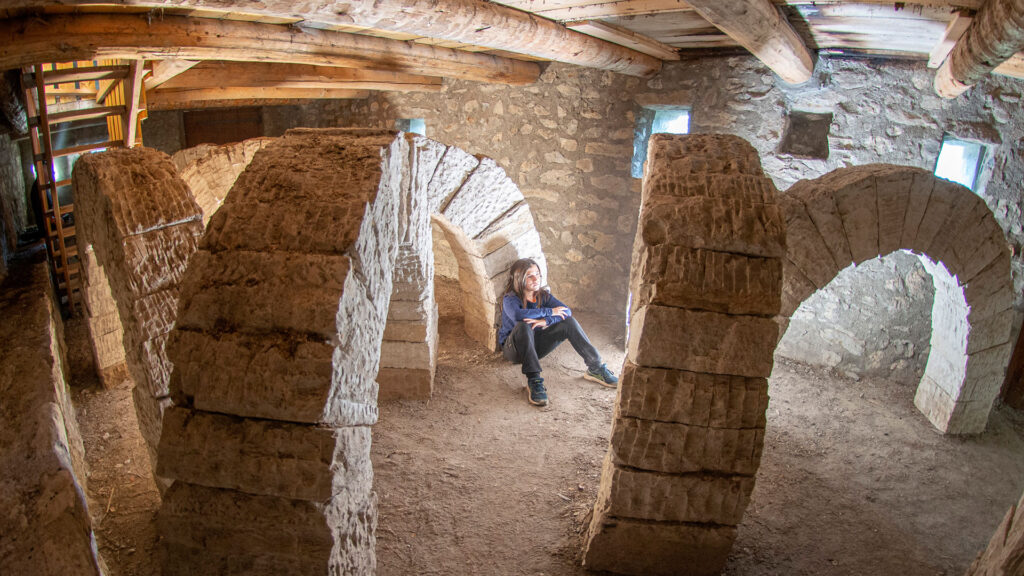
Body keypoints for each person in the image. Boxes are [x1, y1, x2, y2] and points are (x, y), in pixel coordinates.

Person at [499, 258, 618, 406]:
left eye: (537, 273)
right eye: (530, 275)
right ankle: (534, 380)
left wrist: (547, 321)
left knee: (568, 322)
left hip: (535, 347)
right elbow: (518, 315)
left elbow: (566, 311)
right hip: (515, 350)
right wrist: (550, 311)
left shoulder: (543, 295)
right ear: (519, 278)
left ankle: (595, 367)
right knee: (524, 325)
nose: (536, 279)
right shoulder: (510, 298)